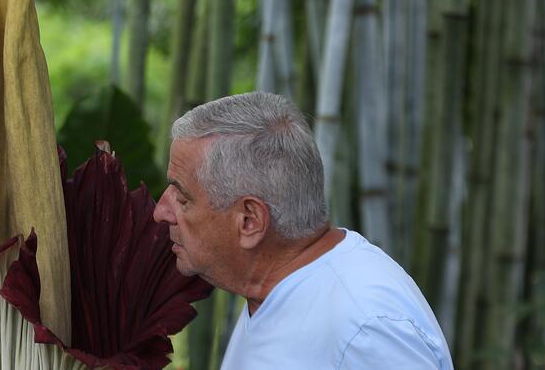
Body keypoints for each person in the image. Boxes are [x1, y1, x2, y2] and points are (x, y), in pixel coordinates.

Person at [153, 92, 453, 369]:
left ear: (249, 221)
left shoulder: (365, 328)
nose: (161, 212)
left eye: (182, 197)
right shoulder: (272, 291)